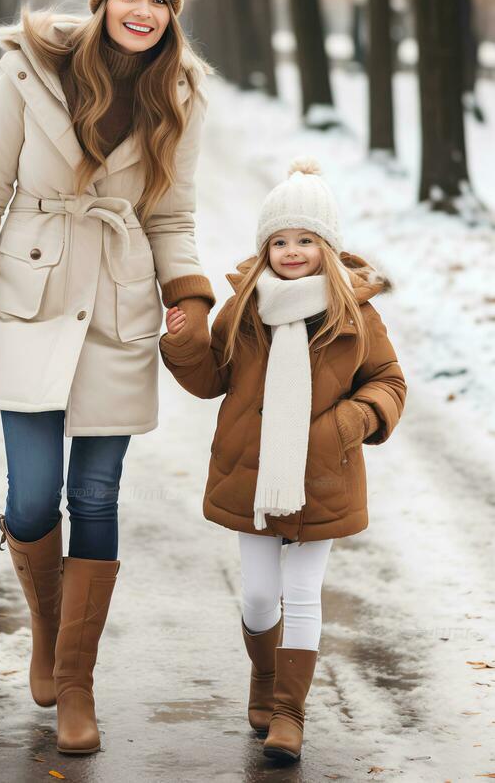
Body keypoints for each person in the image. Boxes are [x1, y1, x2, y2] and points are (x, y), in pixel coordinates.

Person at [0, 0, 216, 755]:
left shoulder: (183, 93)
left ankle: (76, 684)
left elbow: (173, 216)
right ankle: (46, 633)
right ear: (101, 0)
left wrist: (190, 298)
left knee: (95, 497)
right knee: (31, 494)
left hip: (120, 308)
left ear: (173, 11)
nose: (143, 10)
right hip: (31, 299)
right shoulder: (27, 74)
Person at [160, 158, 406, 765]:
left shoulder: (356, 315)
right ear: (265, 246)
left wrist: (352, 421)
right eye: (279, 241)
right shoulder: (244, 310)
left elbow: (388, 381)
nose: (291, 252)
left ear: (326, 246)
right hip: (253, 478)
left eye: (304, 240)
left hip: (323, 477)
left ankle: (290, 714)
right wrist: (184, 343)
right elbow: (212, 378)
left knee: (302, 593)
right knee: (260, 595)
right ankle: (265, 682)